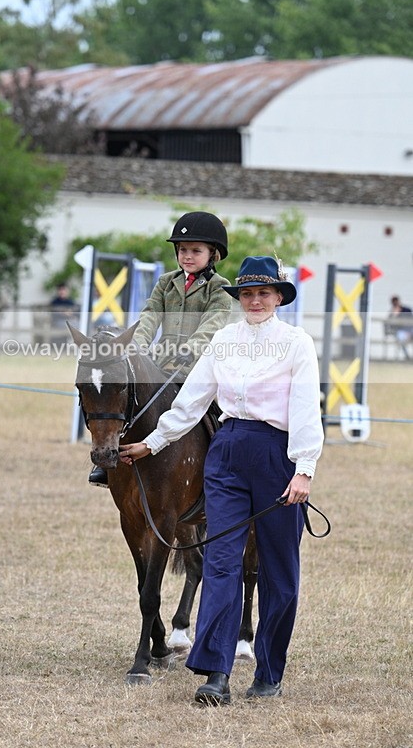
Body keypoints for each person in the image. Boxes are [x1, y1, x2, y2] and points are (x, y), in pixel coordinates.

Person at [119, 255, 324, 705]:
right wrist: (152, 443)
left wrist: (304, 468)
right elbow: (191, 401)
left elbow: (308, 408)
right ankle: (216, 672)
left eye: (263, 293)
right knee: (220, 563)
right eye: (247, 293)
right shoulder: (225, 340)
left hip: (277, 454)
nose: (254, 300)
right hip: (227, 451)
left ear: (278, 298)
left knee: (278, 570)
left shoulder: (296, 343)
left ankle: (269, 672)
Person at [88, 211, 232, 487]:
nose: (187, 256)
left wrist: (191, 348)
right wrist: (137, 347)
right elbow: (150, 315)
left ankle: (221, 470)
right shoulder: (166, 282)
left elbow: (213, 324)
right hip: (162, 364)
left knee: (216, 416)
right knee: (128, 404)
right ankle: (109, 465)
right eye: (182, 250)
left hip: (200, 365)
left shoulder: (219, 288)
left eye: (195, 251)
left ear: (213, 254)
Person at [386, 295, 413, 360]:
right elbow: (390, 325)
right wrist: (394, 315)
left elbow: (411, 320)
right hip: (400, 331)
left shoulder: (407, 309)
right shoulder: (392, 313)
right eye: (394, 302)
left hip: (410, 330)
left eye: (396, 302)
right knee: (400, 339)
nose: (395, 304)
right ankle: (407, 357)